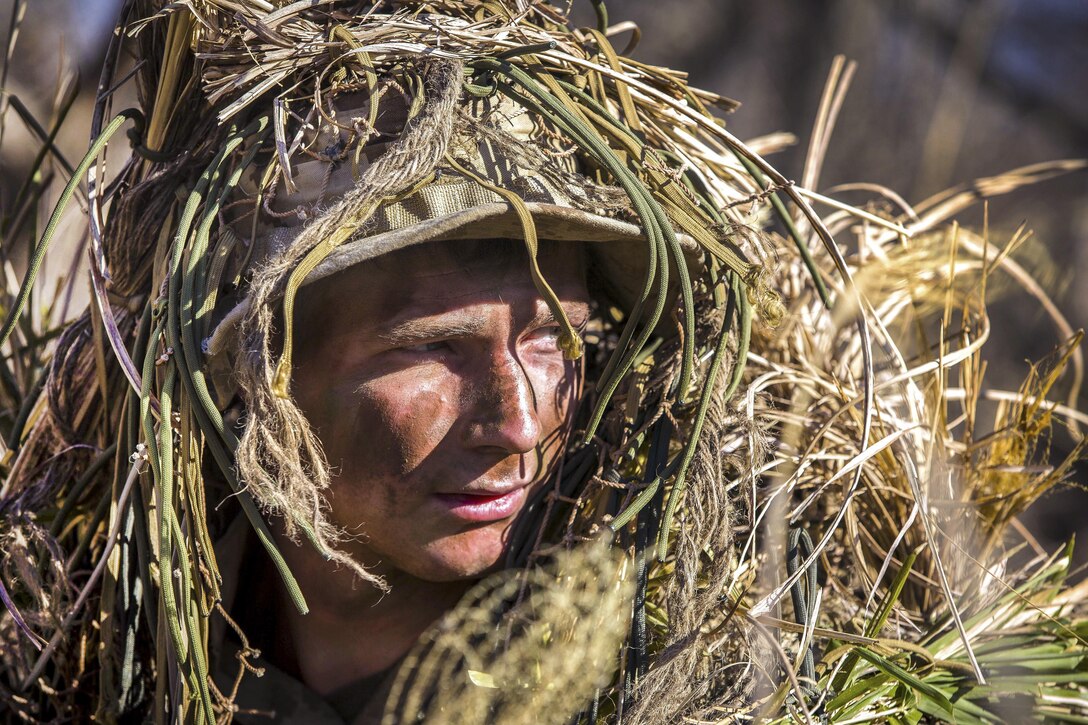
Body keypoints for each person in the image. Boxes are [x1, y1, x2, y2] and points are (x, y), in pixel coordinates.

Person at [4, 2, 1088, 724]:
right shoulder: (95, 660)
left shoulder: (702, 675)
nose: (518, 420)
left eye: (554, 338)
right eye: (432, 352)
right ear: (256, 369)